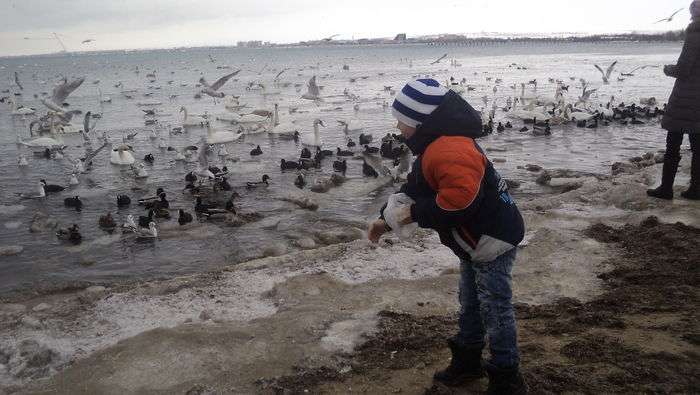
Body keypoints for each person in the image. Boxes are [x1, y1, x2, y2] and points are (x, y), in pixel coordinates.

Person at [368, 79, 527, 394]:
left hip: (492, 240)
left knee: (495, 307)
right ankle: (468, 361)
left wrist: (414, 215)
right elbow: (416, 188)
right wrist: (385, 221)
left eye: (401, 119)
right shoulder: (434, 146)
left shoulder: (450, 149)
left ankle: (507, 376)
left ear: (419, 121)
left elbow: (460, 203)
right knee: (470, 303)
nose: (397, 126)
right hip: (476, 242)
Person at [648, 0, 700, 200]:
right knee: (698, 146)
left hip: (687, 97)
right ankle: (696, 189)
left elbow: (683, 69)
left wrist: (668, 69)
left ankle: (666, 189)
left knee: (673, 142)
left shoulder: (695, 33)